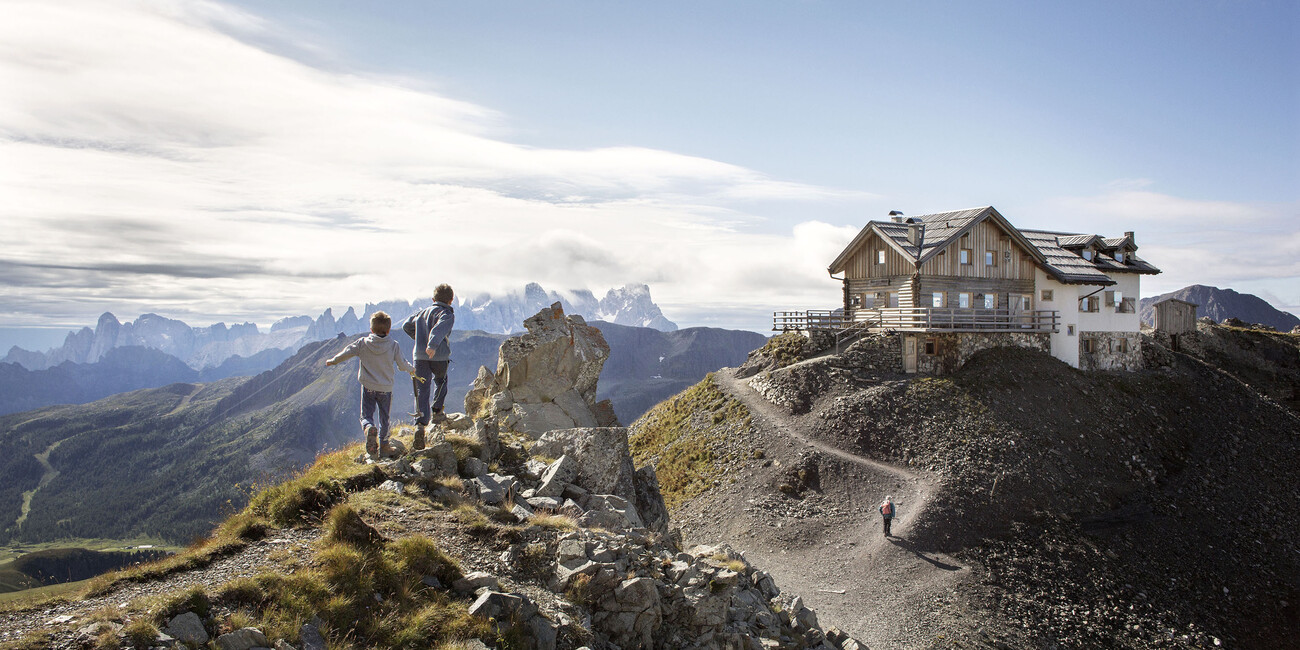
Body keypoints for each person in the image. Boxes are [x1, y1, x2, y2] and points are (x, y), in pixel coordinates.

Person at [325, 311, 419, 458]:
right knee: (384, 417)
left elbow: (348, 351)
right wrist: (411, 370)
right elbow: (402, 364)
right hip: (385, 389)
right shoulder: (394, 345)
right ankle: (384, 445)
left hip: (368, 386)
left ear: (371, 329)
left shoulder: (363, 343)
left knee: (366, 415)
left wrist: (334, 360)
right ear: (388, 330)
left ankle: (369, 428)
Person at [402, 284, 455, 451]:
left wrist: (419, 339)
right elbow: (440, 327)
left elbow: (406, 325)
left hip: (419, 357)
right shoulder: (447, 313)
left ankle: (420, 425)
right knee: (441, 380)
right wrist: (431, 345)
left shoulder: (422, 312)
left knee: (422, 388)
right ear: (451, 300)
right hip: (438, 355)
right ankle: (437, 411)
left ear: (433, 299)